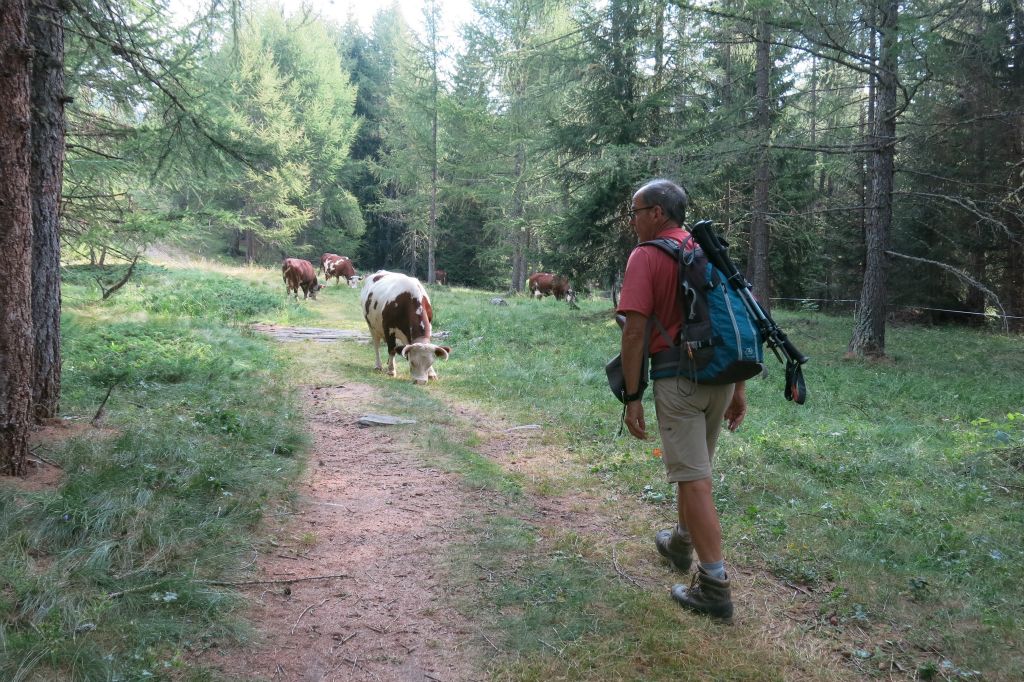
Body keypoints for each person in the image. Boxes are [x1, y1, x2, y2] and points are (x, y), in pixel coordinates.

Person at [616, 178, 747, 622]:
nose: (631, 220)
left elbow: (634, 330)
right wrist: (740, 386)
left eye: (635, 211)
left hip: (679, 381)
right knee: (696, 472)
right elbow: (735, 315)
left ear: (657, 212)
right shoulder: (707, 249)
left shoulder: (647, 255)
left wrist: (632, 396)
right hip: (721, 379)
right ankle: (679, 544)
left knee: (695, 481)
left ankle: (714, 586)